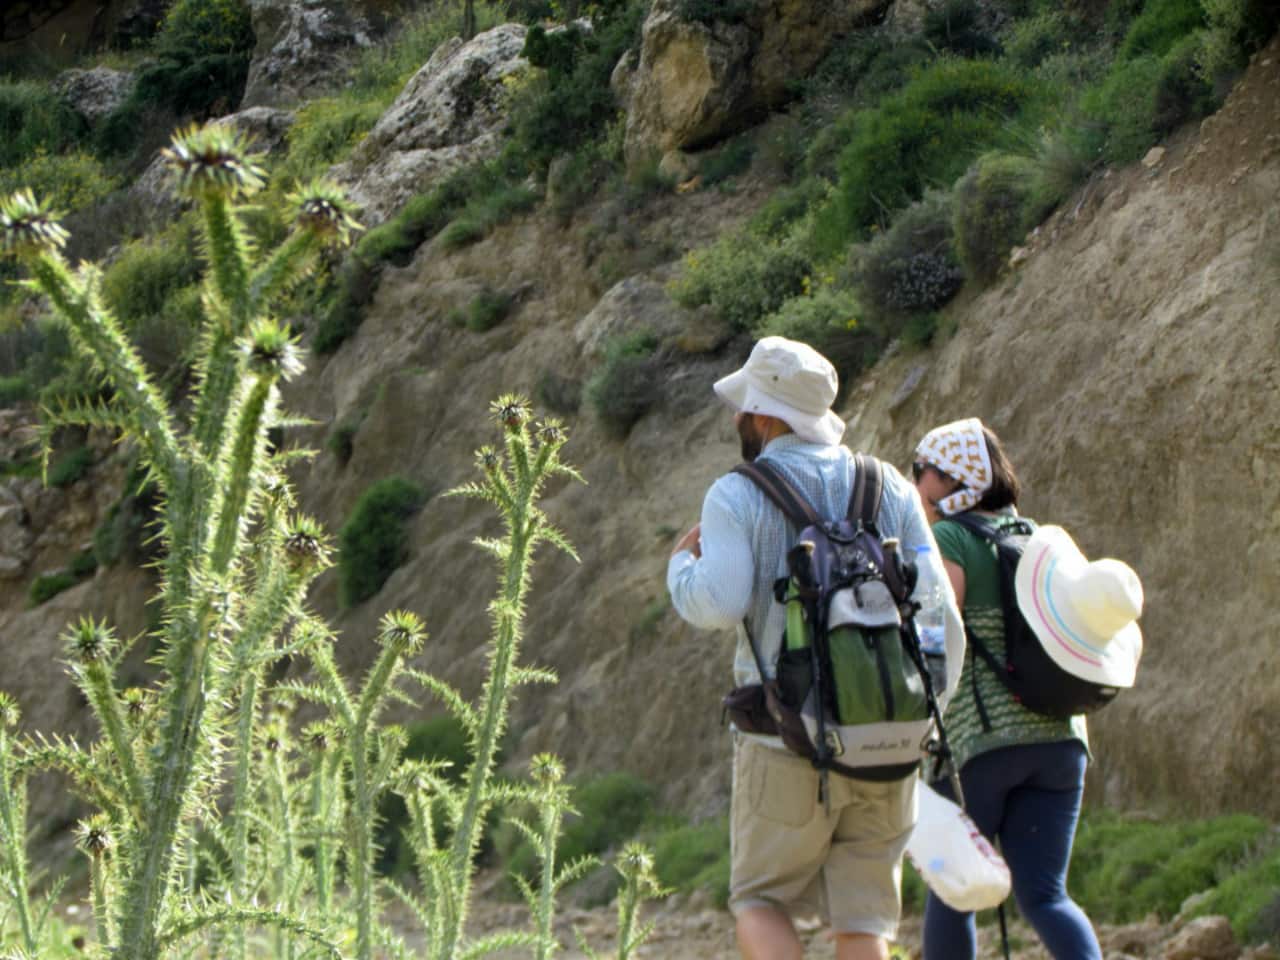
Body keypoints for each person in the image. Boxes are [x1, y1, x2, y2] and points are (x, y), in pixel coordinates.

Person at [667, 336, 962, 960]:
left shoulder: (738, 493)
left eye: (742, 406)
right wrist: (917, 714)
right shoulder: (891, 488)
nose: (735, 418)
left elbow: (717, 603)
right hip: (887, 745)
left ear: (765, 415)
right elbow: (940, 619)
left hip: (785, 741)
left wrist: (678, 569)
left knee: (760, 901)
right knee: (863, 924)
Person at [911, 417, 1104, 960]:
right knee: (1046, 894)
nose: (917, 485)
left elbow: (935, 633)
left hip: (982, 745)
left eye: (922, 472)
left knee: (954, 895)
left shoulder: (949, 538)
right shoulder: (1043, 539)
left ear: (953, 481)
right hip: (1063, 743)